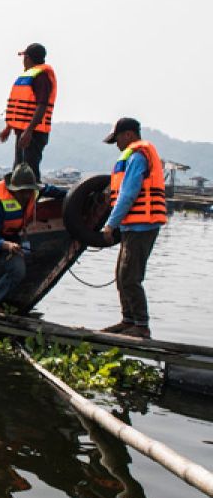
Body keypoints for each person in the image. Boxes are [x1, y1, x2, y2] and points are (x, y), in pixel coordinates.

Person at [0, 163, 68, 316]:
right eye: (22, 192)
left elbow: (54, 191)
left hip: (9, 235)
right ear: (13, 189)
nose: (26, 195)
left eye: (28, 191)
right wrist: (7, 245)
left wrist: (75, 194)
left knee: (18, 270)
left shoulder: (34, 192)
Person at [98, 117, 168, 339]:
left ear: (128, 135)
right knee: (121, 275)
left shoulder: (137, 156)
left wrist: (110, 225)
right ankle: (128, 320)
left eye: (117, 139)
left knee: (130, 276)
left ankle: (141, 325)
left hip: (143, 225)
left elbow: (128, 194)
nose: (116, 144)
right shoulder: (131, 156)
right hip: (132, 226)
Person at [0, 43, 56, 181]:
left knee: (29, 173)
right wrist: (9, 127)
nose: (23, 61)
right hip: (23, 132)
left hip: (33, 133)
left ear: (28, 58)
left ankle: (33, 201)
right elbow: (21, 109)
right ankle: (24, 200)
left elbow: (42, 105)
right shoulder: (30, 75)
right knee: (19, 171)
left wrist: (29, 131)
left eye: (24, 57)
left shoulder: (41, 76)